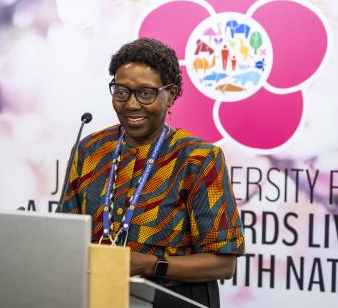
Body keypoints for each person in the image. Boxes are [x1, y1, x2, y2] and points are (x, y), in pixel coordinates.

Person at [60, 38, 245, 307]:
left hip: (171, 299)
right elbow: (66, 237)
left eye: (146, 93)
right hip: (96, 295)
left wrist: (149, 265)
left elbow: (223, 264)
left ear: (170, 95)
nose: (132, 104)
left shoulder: (198, 158)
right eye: (121, 91)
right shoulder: (90, 150)